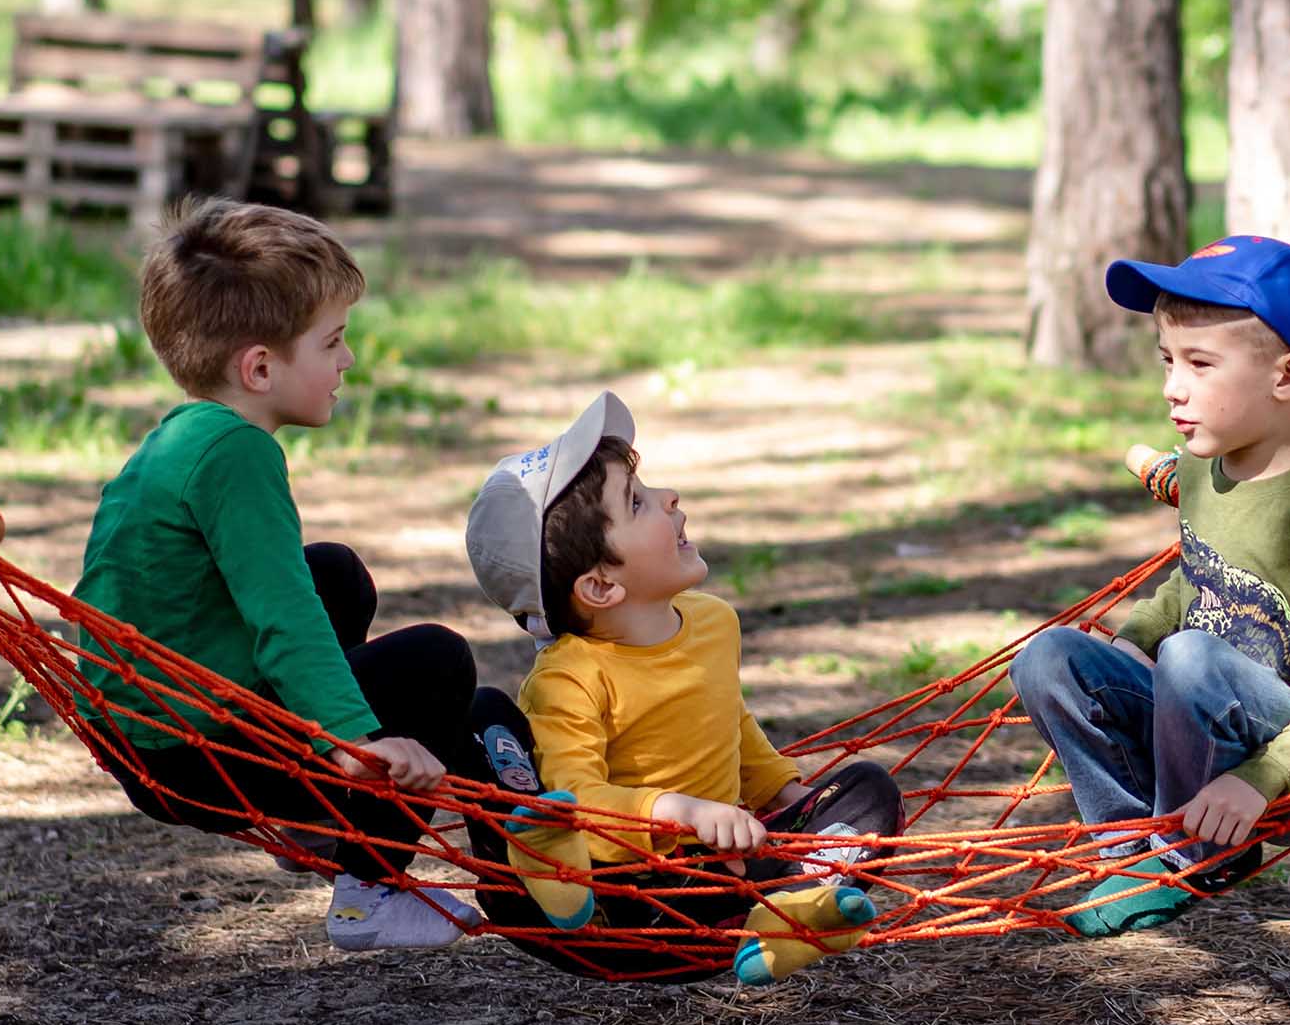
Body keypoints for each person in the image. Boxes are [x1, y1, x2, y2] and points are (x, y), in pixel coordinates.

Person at [74, 196, 495, 954]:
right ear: (260, 367)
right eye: (332, 342)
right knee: (438, 659)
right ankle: (372, 887)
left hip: (146, 733)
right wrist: (357, 743)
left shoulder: (188, 435)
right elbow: (283, 616)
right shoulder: (239, 456)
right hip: (198, 757)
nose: (348, 360)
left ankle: (315, 817)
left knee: (337, 572)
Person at [465, 392, 904, 982]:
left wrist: (783, 793)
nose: (670, 498)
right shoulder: (569, 677)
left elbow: (728, 720)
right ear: (600, 587)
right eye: (637, 503)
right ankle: (543, 873)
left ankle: (792, 910)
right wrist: (680, 812)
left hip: (731, 881)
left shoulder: (711, 621)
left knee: (869, 789)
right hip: (627, 906)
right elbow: (579, 802)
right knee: (484, 717)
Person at [1012, 235, 1290, 938]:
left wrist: (1257, 779)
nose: (1173, 387)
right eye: (1168, 360)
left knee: (1191, 655)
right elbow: (1195, 576)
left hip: (1273, 741)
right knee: (1048, 657)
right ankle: (1131, 843)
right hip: (1193, 708)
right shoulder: (1205, 468)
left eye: (1200, 364)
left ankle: (1183, 856)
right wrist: (1136, 641)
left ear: (1284, 378)